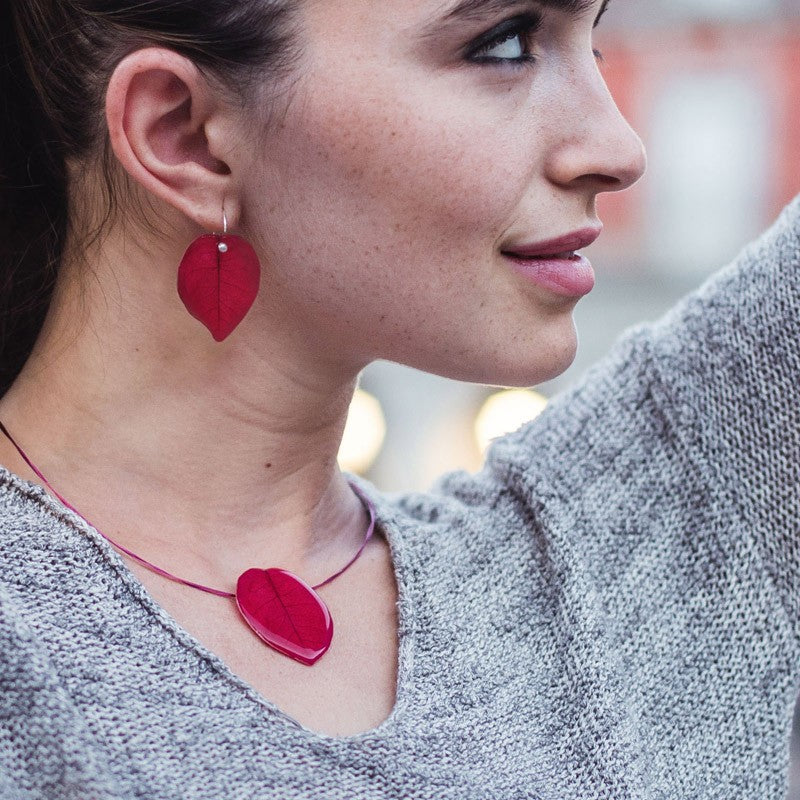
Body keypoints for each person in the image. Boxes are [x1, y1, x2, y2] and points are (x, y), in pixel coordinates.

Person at [0, 0, 798, 797]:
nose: (620, 150)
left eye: (595, 37)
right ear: (185, 135)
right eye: (505, 44)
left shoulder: (664, 525)